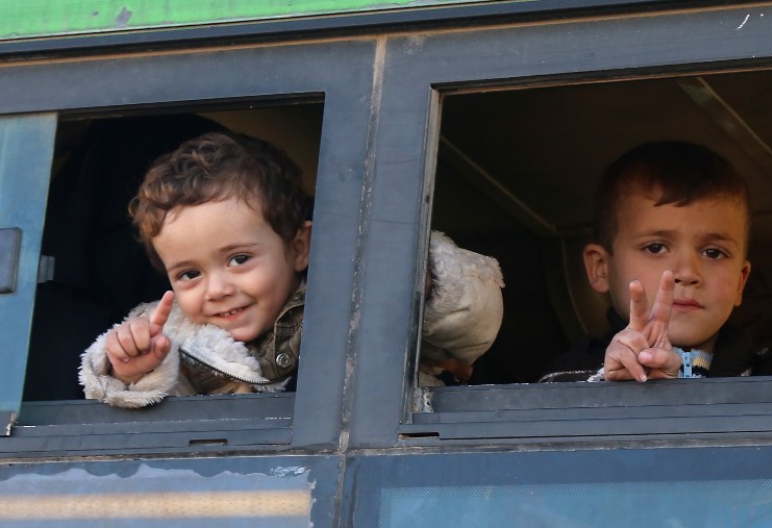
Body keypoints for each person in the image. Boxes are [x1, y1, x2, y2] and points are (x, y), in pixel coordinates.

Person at [80, 131, 504, 407]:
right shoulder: (170, 335)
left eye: (239, 259)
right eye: (190, 274)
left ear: (299, 248)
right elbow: (149, 425)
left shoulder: (355, 294)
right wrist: (134, 373)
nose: (217, 288)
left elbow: (474, 324)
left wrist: (413, 275)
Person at [541, 141, 772, 383]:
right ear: (601, 268)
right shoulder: (570, 377)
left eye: (713, 253)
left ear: (740, 282)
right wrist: (622, 391)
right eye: (655, 247)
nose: (687, 273)